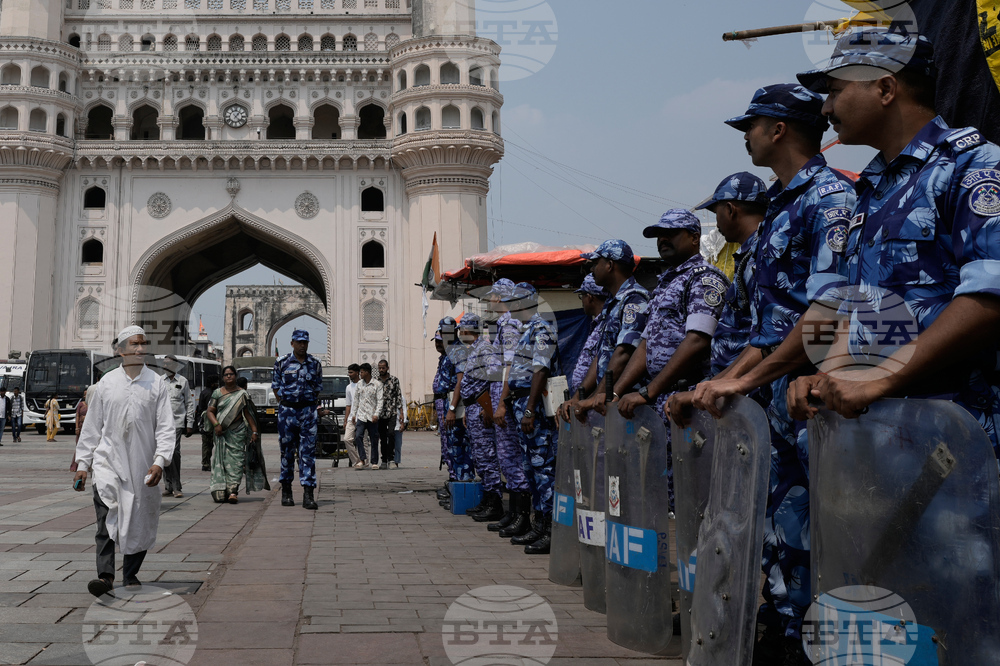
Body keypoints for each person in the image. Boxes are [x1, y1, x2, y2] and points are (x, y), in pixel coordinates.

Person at [688, 83, 857, 659]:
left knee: (831, 532)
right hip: (779, 396)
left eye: (751, 126)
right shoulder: (784, 205)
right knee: (785, 528)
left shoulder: (829, 198)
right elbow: (766, 330)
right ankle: (789, 632)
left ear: (779, 128)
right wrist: (726, 381)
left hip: (815, 395)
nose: (746, 136)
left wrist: (745, 381)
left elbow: (826, 313)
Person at [787, 29, 1000, 452]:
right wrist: (832, 374)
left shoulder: (973, 166)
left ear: (885, 88)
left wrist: (880, 377)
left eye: (834, 91)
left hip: (961, 439)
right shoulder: (870, 192)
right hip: (883, 442)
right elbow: (862, 306)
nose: (826, 107)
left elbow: (990, 298)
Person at [611, 210, 729, 511]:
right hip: (659, 403)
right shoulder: (665, 284)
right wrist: (616, 393)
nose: (662, 240)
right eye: (657, 235)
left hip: (689, 402)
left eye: (670, 233)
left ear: (693, 237)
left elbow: (698, 340)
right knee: (662, 499)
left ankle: (690, 558)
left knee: (694, 499)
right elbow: (646, 346)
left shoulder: (705, 278)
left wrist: (649, 392)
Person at [72, 325, 175, 597]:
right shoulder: (106, 384)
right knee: (106, 518)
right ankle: (105, 577)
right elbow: (92, 427)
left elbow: (165, 427)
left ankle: (130, 575)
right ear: (120, 351)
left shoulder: (156, 383)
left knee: (140, 519)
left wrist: (160, 461)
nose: (140, 349)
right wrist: (83, 465)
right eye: (134, 345)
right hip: (108, 463)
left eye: (143, 344)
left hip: (143, 465)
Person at [668, 172, 769, 423]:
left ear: (730, 209)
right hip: (735, 393)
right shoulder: (749, 255)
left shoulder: (762, 256)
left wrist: (717, 384)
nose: (717, 222)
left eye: (716, 214)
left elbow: (768, 338)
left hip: (753, 396)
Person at [502, 282, 559, 555]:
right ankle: (538, 524)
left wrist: (529, 409)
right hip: (521, 403)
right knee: (530, 469)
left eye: (515, 301)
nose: (510, 306)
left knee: (544, 469)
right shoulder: (526, 331)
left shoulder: (541, 329)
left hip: (533, 406)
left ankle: (550, 530)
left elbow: (540, 370)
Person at [566, 240, 650, 421]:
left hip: (629, 406)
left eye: (596, 263)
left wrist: (599, 394)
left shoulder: (634, 299)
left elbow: (624, 352)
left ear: (610, 265)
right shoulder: (612, 304)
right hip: (609, 403)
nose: (592, 269)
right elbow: (602, 355)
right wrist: (578, 399)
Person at [487, 279, 533, 536]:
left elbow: (510, 366)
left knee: (512, 458)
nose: (490, 300)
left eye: (493, 295)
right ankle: (514, 513)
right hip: (500, 398)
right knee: (507, 458)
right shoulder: (503, 324)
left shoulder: (509, 324)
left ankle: (521, 516)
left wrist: (503, 403)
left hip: (506, 399)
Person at [453, 314, 504, 521]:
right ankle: (487, 499)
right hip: (473, 407)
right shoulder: (474, 350)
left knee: (488, 456)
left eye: (460, 330)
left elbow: (495, 378)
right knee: (480, 457)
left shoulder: (485, 349)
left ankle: (495, 503)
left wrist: (489, 406)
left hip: (483, 408)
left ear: (466, 330)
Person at [271, 329, 323, 510]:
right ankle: (286, 492)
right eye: (299, 342)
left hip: (308, 412)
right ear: (292, 343)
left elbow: (317, 388)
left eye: (305, 342)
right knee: (287, 452)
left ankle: (308, 494)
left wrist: (305, 404)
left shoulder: (314, 364)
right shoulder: (282, 363)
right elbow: (276, 388)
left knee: (307, 454)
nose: (302, 345)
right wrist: (288, 403)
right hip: (287, 412)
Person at [206, 367, 262, 504]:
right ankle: (221, 488)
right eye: (226, 375)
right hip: (220, 434)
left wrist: (254, 431)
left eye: (231, 374)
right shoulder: (217, 393)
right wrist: (216, 424)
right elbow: (210, 411)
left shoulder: (242, 394)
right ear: (223, 377)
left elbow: (248, 414)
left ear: (235, 376)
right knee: (222, 461)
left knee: (236, 462)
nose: (229, 377)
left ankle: (233, 491)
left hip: (237, 432)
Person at [432, 319, 472, 506]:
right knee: (449, 446)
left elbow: (460, 382)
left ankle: (462, 488)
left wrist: (452, 408)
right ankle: (454, 487)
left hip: (452, 403)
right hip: (444, 401)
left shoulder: (458, 351)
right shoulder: (449, 351)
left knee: (458, 446)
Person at [568, 275, 609, 396]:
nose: (582, 301)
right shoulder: (597, 325)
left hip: (595, 399)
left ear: (590, 297)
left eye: (582, 296)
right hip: (585, 399)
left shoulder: (607, 324)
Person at [160, 356, 195, 499]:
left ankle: (176, 486)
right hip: (161, 424)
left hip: (177, 423)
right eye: (164, 364)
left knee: (174, 452)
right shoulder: (159, 382)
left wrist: (190, 423)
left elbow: (189, 403)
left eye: (168, 364)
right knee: (164, 453)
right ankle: (168, 485)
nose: (165, 366)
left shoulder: (183, 381)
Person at [352, 363, 383, 471]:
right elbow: (356, 400)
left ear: (367, 372)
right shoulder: (359, 384)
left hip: (372, 416)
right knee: (358, 436)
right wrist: (353, 414)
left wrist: (376, 414)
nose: (360, 374)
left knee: (374, 439)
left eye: (362, 372)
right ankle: (362, 459)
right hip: (361, 415)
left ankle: (374, 462)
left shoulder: (377, 385)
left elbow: (380, 401)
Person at [375, 360, 404, 469]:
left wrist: (401, 413)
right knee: (382, 437)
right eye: (379, 368)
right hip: (380, 413)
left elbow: (399, 396)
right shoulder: (376, 381)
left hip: (392, 411)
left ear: (387, 368)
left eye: (383, 368)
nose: (381, 370)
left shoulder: (394, 380)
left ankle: (391, 459)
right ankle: (384, 460)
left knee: (391, 434)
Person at [196, 375, 220, 471]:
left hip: (204, 421)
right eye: (216, 383)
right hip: (211, 421)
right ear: (212, 384)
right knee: (215, 443)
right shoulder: (213, 394)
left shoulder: (203, 392)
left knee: (206, 444)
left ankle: (205, 463)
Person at [71, 386, 94, 472]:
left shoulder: (93, 404)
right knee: (79, 445)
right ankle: (76, 465)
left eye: (87, 394)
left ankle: (88, 464)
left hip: (88, 427)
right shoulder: (81, 404)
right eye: (84, 395)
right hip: (81, 427)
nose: (86, 396)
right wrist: (77, 427)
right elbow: (77, 415)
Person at [393, 386, 408, 467]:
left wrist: (403, 423)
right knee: (389, 444)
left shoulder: (401, 398)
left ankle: (396, 461)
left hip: (398, 424)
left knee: (398, 445)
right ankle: (390, 460)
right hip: (389, 424)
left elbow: (404, 410)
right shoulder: (386, 397)